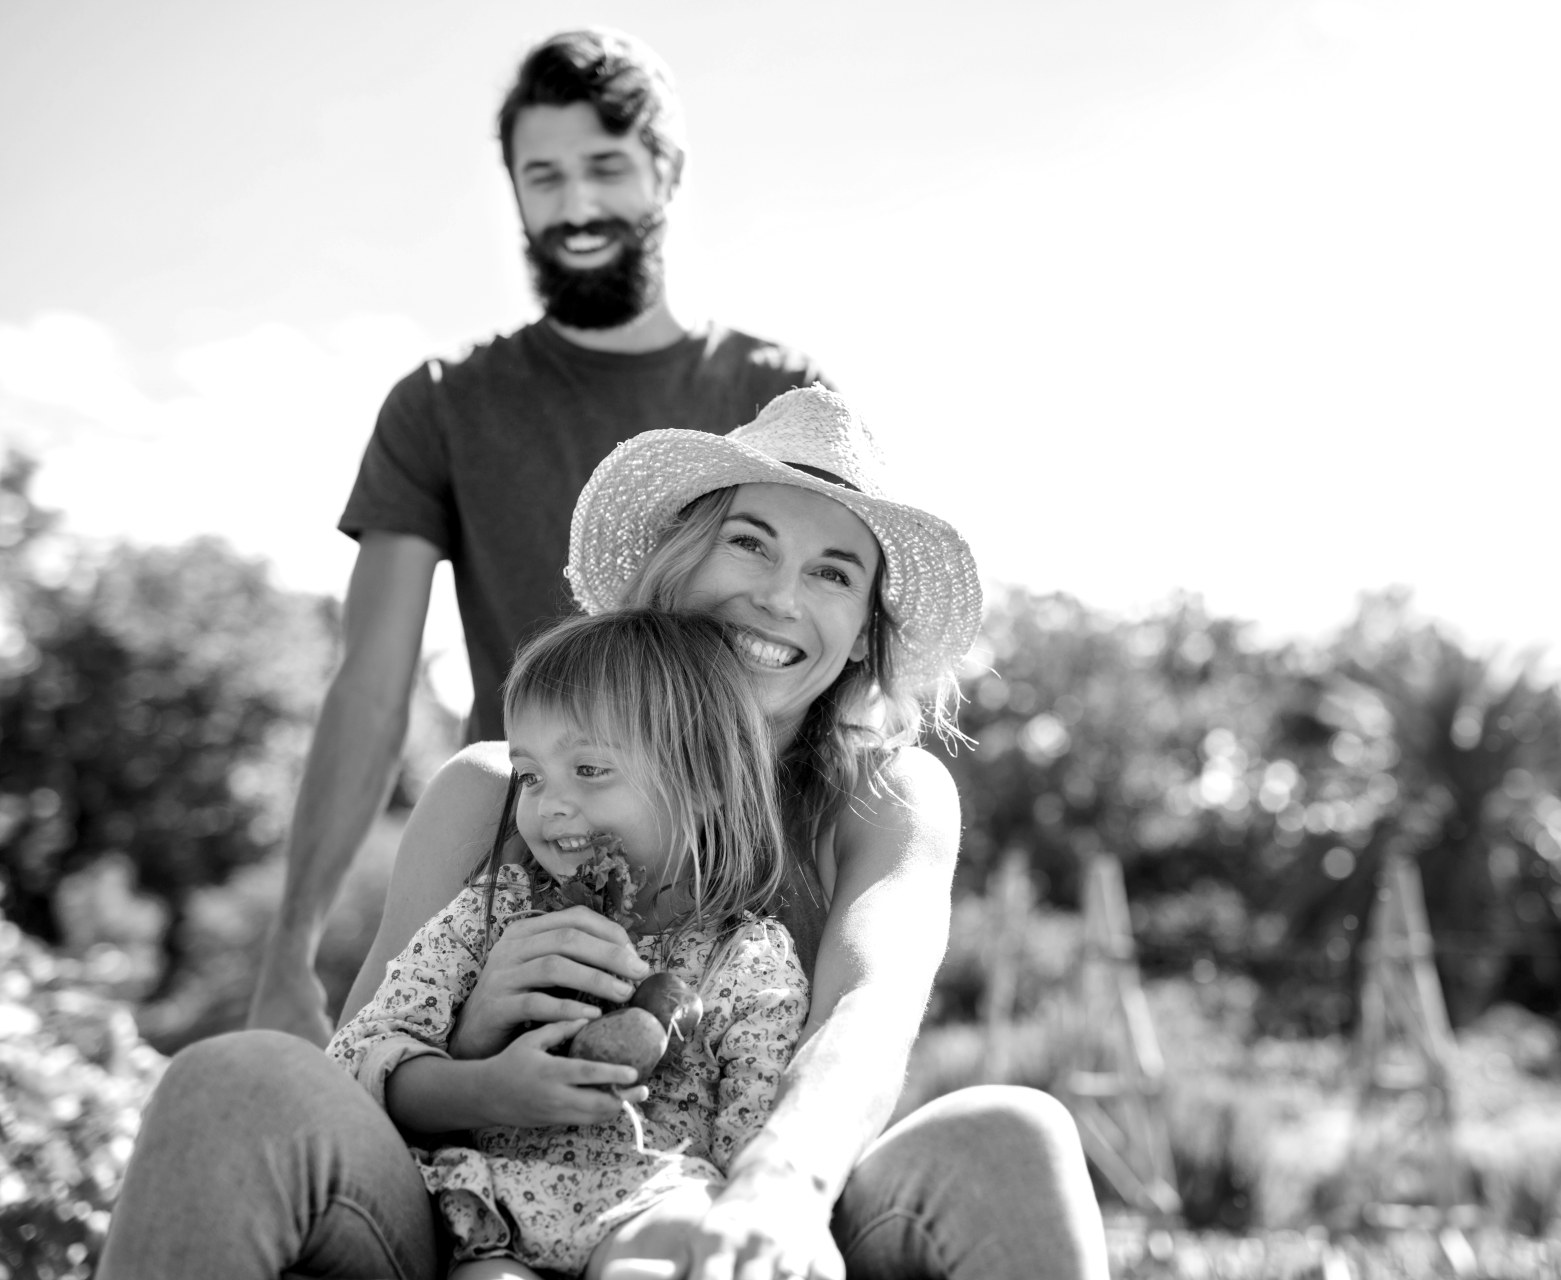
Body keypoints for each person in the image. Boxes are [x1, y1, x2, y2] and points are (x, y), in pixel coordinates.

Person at [100, 387, 1109, 1280]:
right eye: (748, 540)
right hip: (468, 1213)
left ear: (861, 637)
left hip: (740, 1203)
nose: (779, 594)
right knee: (232, 1080)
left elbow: (870, 1011)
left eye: (835, 572)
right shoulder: (496, 790)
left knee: (1015, 1132)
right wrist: (478, 1036)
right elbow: (356, 1072)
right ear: (676, 562)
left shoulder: (883, 795)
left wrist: (780, 1186)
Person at [249, 26, 830, 1045]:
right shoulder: (441, 404)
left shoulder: (775, 395)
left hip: (741, 886)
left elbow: (824, 643)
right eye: (542, 175)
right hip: (518, 876)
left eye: (605, 167)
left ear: (668, 171)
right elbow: (372, 683)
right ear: (512, 189)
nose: (574, 206)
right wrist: (290, 943)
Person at [330, 608, 809, 1278]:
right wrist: (484, 1087)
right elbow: (356, 1060)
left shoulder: (746, 959)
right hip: (492, 1217)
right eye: (530, 775)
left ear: (702, 786)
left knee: (674, 1246)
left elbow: (753, 1135)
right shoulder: (491, 918)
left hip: (653, 1200)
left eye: (589, 769)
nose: (549, 804)